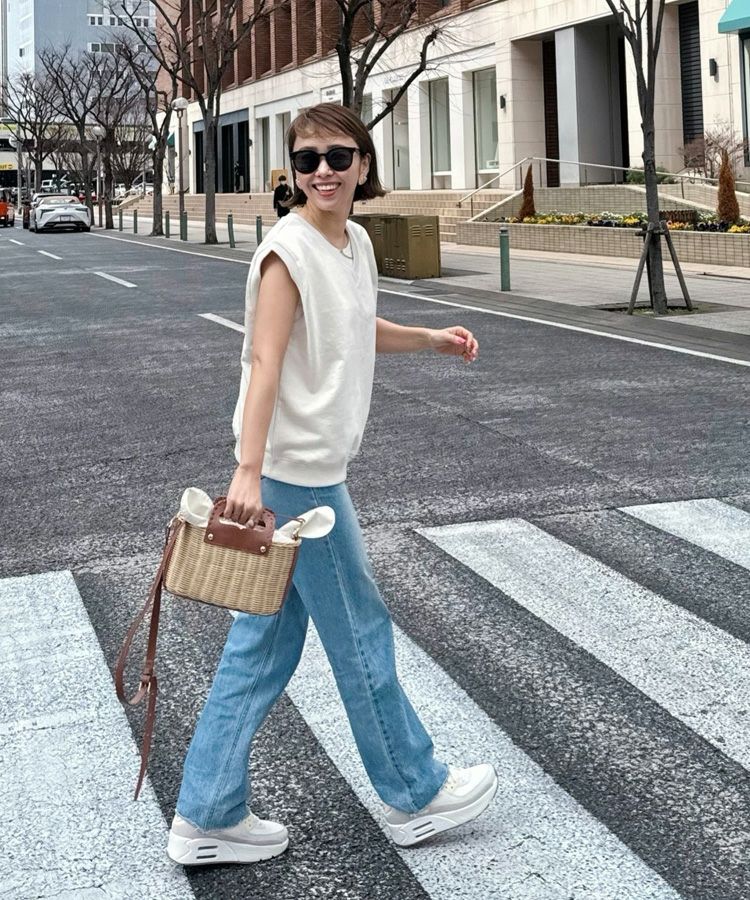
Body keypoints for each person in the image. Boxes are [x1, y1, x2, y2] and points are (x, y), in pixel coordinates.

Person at [166, 103, 495, 867]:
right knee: (360, 631)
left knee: (261, 650)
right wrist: (247, 471)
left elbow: (353, 326)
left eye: (337, 157)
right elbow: (264, 362)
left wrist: (431, 339)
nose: (322, 171)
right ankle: (414, 791)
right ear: (293, 170)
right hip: (299, 481)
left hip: (307, 473)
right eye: (307, 158)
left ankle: (206, 813)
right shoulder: (286, 253)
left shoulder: (353, 243)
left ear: (363, 165)